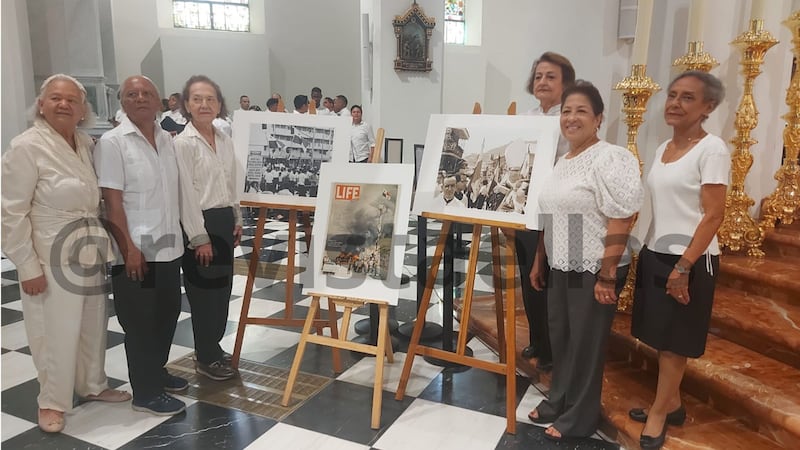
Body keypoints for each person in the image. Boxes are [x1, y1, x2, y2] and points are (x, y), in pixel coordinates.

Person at [1, 74, 131, 433]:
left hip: (87, 247)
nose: (64, 104)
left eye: (72, 100)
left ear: (83, 110)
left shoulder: (86, 143)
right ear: (41, 105)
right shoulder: (26, 146)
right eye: (55, 98)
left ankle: (91, 385)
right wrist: (26, 266)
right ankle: (52, 402)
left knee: (92, 323)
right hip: (48, 254)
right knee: (53, 331)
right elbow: (10, 212)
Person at [527, 81, 643, 441]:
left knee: (586, 344)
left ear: (598, 119)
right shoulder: (564, 160)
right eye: (566, 111)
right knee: (562, 338)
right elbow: (552, 215)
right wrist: (539, 260)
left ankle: (580, 416)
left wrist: (607, 275)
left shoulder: (611, 157)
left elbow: (623, 217)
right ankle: (559, 398)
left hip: (594, 266)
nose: (571, 118)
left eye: (581, 111)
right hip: (562, 263)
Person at [629, 71, 729, 450]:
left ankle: (659, 413)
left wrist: (684, 266)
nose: (674, 103)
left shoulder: (712, 149)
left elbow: (714, 215)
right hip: (659, 251)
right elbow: (659, 205)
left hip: (691, 258)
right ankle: (672, 403)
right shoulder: (661, 149)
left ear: (708, 107)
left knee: (675, 342)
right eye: (672, 95)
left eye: (687, 98)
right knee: (659, 335)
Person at [94, 75, 188, 416]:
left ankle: (157, 371)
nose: (140, 98)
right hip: (135, 252)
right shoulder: (113, 142)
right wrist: (129, 249)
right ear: (122, 101)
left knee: (167, 315)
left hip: (168, 247)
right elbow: (112, 203)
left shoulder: (166, 139)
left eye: (147, 93)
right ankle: (145, 392)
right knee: (140, 322)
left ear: (160, 101)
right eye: (131, 94)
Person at [174, 75, 243, 381]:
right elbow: (185, 194)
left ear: (219, 104)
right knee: (203, 292)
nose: (204, 104)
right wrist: (198, 237)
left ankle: (213, 347)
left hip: (224, 219)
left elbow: (231, 184)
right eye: (197, 99)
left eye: (210, 99)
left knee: (222, 290)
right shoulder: (182, 143)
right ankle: (204, 355)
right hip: (199, 222)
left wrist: (238, 218)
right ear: (186, 105)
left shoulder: (225, 139)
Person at [517, 51, 576, 370]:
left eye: (551, 76)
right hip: (527, 213)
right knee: (530, 281)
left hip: (560, 215)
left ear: (566, 82)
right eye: (538, 76)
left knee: (556, 284)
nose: (542, 81)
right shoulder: (526, 118)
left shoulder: (569, 118)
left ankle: (557, 348)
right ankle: (538, 339)